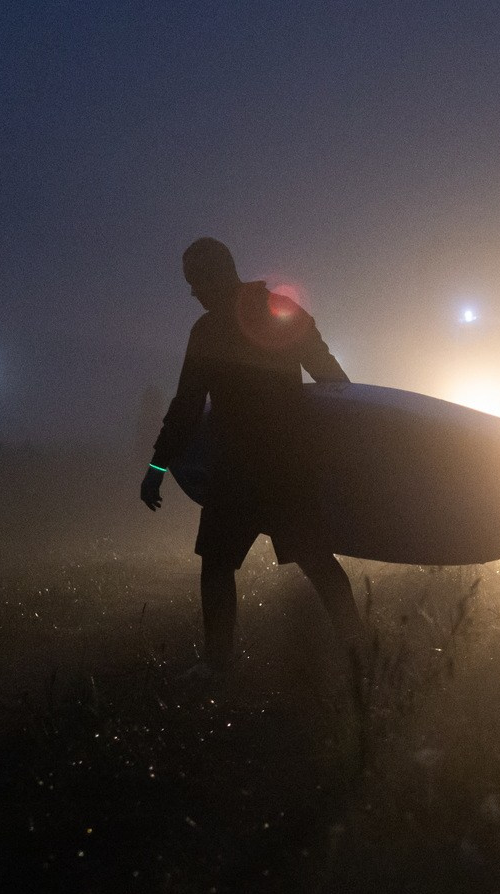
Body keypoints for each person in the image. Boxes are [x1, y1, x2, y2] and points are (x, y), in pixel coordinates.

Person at [140, 238, 367, 673]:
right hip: (279, 466)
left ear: (217, 274)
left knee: (222, 567)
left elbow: (187, 406)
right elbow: (334, 382)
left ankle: (219, 666)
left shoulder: (210, 330)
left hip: (247, 469)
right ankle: (358, 653)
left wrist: (156, 468)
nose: (193, 292)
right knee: (311, 561)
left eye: (195, 281)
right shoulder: (278, 313)